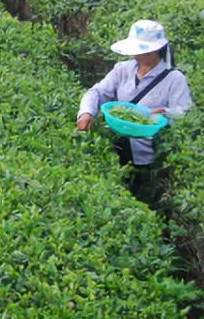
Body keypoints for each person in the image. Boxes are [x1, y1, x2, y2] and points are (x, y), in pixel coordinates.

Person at [77, 20, 193, 202]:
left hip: (147, 155)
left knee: (139, 199)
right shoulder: (123, 70)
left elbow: (184, 113)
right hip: (114, 146)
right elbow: (97, 92)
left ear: (155, 50)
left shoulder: (174, 79)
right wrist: (86, 112)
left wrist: (167, 114)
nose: (136, 54)